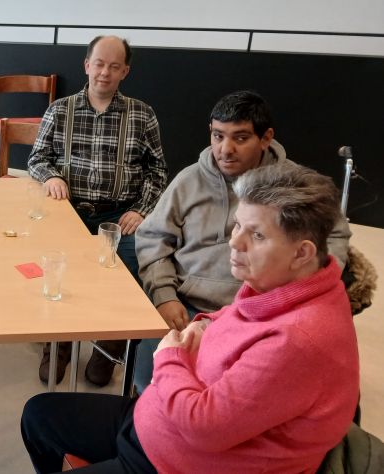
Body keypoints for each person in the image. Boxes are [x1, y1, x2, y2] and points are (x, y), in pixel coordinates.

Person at [21, 163, 359, 474]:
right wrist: (206, 322)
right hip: (157, 423)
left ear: (302, 252)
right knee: (38, 415)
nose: (234, 242)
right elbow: (241, 313)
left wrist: (170, 356)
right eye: (238, 225)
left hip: (176, 461)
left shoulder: (298, 340)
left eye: (256, 235)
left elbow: (204, 428)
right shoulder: (287, 283)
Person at [134, 90, 350, 392]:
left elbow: (336, 236)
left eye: (240, 138)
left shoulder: (298, 186)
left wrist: (303, 291)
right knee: (150, 380)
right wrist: (164, 295)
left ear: (266, 138)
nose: (226, 149)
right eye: (218, 136)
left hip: (264, 315)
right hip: (188, 307)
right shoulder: (188, 180)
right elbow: (153, 237)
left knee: (244, 391)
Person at [28, 35, 167, 386]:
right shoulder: (60, 110)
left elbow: (157, 171)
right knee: (59, 275)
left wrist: (142, 209)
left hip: (120, 216)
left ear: (125, 72)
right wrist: (51, 176)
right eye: (100, 64)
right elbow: (37, 158)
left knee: (127, 280)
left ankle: (108, 349)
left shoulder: (142, 114)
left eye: (114, 66)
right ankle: (57, 346)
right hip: (68, 212)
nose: (105, 72)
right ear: (87, 65)